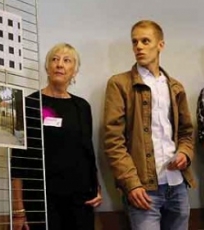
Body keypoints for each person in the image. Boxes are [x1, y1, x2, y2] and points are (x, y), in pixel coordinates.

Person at [103, 20, 195, 230]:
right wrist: (130, 183)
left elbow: (186, 133)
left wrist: (184, 154)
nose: (139, 47)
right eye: (135, 42)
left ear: (160, 45)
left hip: (177, 185)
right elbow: (113, 141)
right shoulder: (119, 84)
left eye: (145, 41)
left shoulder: (175, 87)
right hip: (143, 189)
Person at [11, 42, 102, 230]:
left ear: (74, 71)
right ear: (47, 67)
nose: (59, 64)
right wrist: (18, 209)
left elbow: (87, 152)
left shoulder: (82, 107)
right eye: (54, 59)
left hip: (81, 201)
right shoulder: (29, 104)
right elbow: (18, 160)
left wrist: (97, 187)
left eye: (67, 60)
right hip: (42, 201)